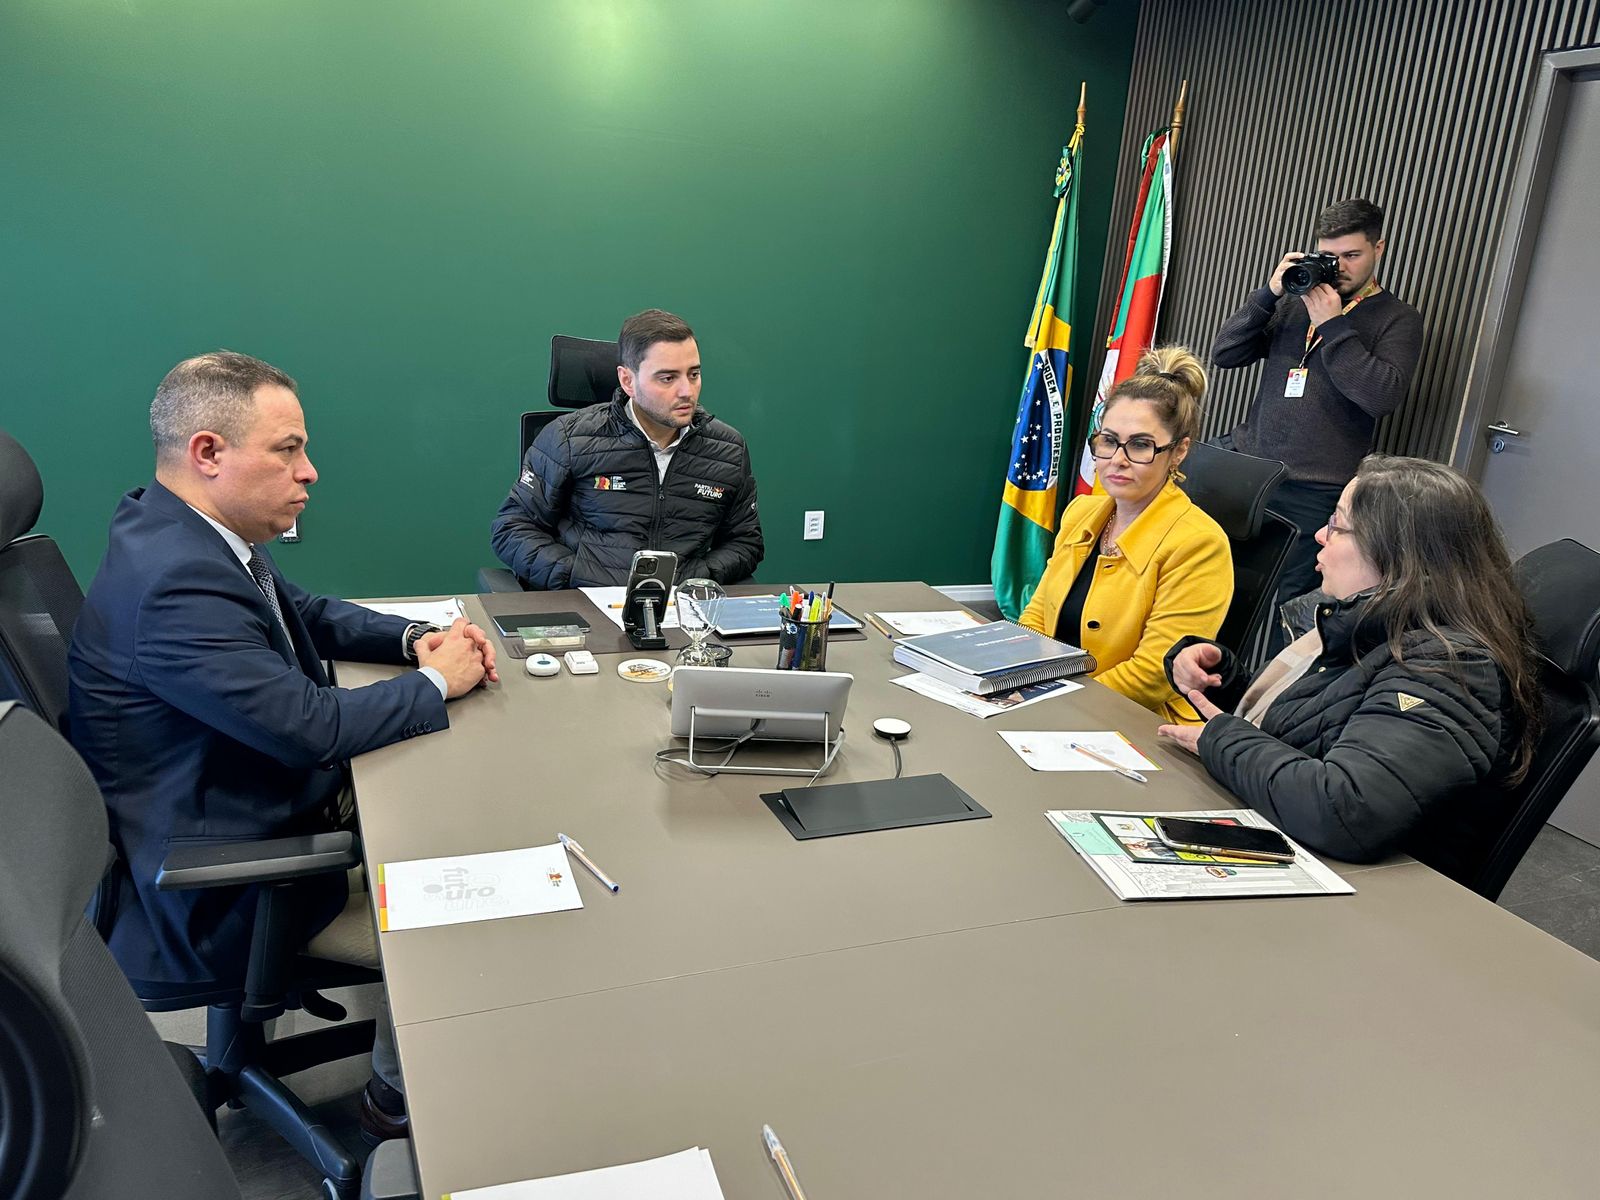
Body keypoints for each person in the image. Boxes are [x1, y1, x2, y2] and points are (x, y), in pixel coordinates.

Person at [67, 351, 499, 1143]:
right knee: (463, 886)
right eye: (288, 449)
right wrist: (440, 682)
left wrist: (416, 639)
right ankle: (394, 1106)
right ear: (208, 452)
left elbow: (309, 613)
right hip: (221, 884)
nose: (310, 472)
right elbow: (312, 729)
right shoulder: (175, 583)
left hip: (221, 808)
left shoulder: (180, 529)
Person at [1157, 456, 1541, 881]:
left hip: (1364, 892)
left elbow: (1346, 809)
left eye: (1337, 525)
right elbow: (1319, 729)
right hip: (1297, 848)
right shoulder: (1372, 626)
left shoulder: (1448, 668)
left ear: (1395, 553)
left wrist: (1222, 738)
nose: (1320, 536)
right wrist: (1225, 681)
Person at [1210, 198, 1424, 651]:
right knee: (1216, 583)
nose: (1339, 267)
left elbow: (1380, 396)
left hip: (1314, 488)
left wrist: (1333, 326)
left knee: (1283, 608)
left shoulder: (1397, 318)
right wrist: (1269, 294)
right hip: (1251, 470)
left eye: (1352, 255)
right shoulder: (1296, 301)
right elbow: (1225, 353)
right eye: (1329, 255)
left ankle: (1258, 691)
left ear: (1379, 249)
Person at [1019, 347, 1233, 724]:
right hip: (1052, 702)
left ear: (1179, 451)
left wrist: (1054, 709)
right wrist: (1006, 678)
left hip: (1136, 722)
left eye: (1140, 445)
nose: (1117, 459)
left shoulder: (1199, 544)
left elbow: (1153, 674)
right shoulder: (1081, 513)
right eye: (1108, 440)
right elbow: (1038, 615)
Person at [491, 308, 763, 589]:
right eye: (668, 378)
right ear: (627, 381)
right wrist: (576, 575)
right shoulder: (568, 438)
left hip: (681, 607)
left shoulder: (728, 450)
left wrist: (700, 576)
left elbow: (745, 541)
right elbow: (512, 528)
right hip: (586, 602)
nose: (687, 391)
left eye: (693, 374)